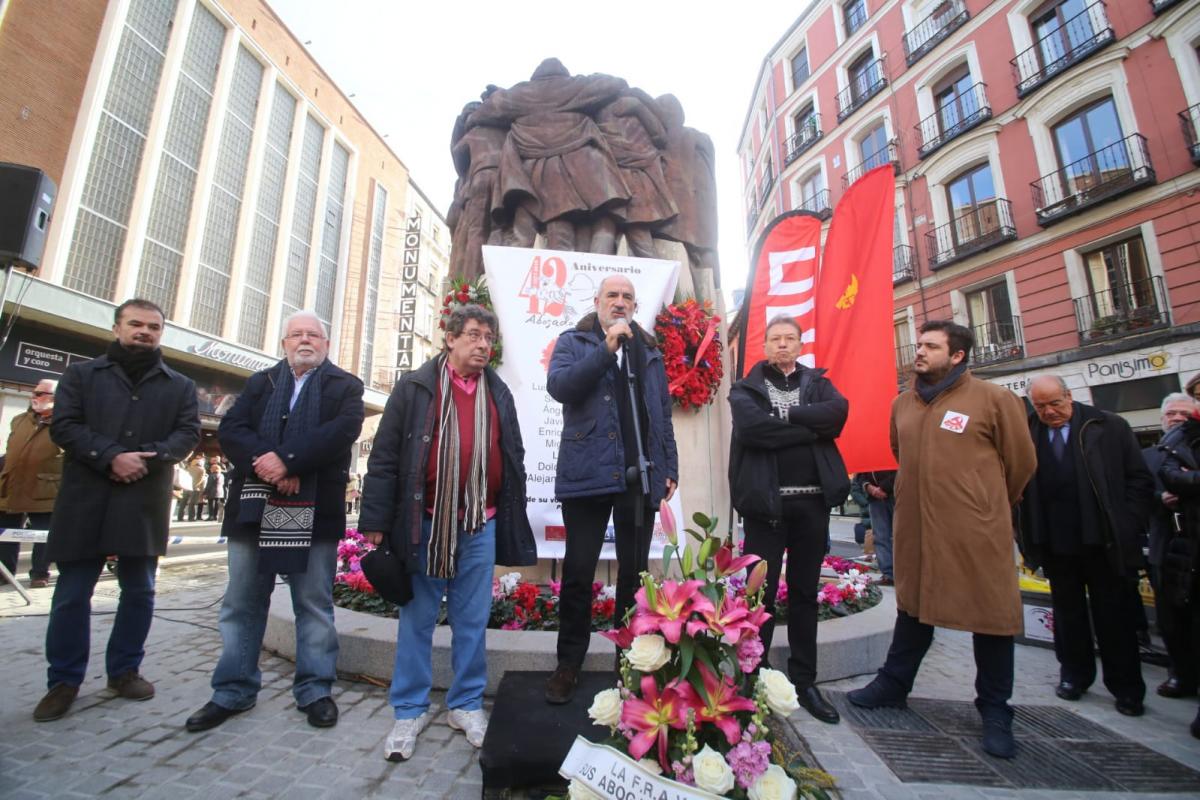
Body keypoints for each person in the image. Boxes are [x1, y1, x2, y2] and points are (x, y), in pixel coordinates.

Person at [847, 321, 1035, 759]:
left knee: (991, 618)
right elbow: (899, 454)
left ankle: (994, 708)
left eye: (932, 346)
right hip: (915, 527)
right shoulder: (902, 405)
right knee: (913, 608)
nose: (920, 351)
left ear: (957, 356)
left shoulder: (994, 399)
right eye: (921, 344)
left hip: (976, 530)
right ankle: (894, 683)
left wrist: (983, 504)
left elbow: (1021, 463)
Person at [359, 304, 536, 761]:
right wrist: (376, 524)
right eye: (474, 335)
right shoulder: (416, 388)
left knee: (472, 620)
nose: (482, 345)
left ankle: (465, 703)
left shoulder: (498, 391)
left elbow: (511, 455)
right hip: (426, 524)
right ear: (450, 339)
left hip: (481, 523)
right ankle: (410, 708)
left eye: (488, 338)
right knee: (417, 617)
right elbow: (384, 459)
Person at [185, 310, 364, 733]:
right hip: (253, 509)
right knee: (242, 602)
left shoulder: (346, 386)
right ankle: (233, 690)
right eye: (296, 334)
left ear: (326, 343)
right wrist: (269, 464)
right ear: (283, 343)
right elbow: (232, 429)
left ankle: (316, 689)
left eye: (313, 335)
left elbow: (341, 433)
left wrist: (287, 460)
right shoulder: (259, 383)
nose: (305, 340)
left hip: (315, 510)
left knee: (313, 604)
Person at [34, 299, 200, 722]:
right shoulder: (81, 375)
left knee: (140, 591)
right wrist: (111, 456)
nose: (145, 332)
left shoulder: (179, 384)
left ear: (162, 332)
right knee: (72, 595)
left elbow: (187, 433)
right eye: (136, 324)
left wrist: (152, 455)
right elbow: (64, 426)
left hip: (143, 500)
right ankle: (64, 681)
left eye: (154, 326)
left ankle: (125, 671)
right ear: (117, 328)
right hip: (86, 499)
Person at [544, 275, 678, 705]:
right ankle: (569, 665)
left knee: (634, 577)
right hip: (588, 475)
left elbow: (661, 413)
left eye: (627, 297)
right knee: (580, 575)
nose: (620, 303)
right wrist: (606, 350)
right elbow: (561, 387)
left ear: (635, 305)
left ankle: (629, 662)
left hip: (638, 477)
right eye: (612, 296)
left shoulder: (650, 350)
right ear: (598, 302)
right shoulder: (575, 341)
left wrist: (668, 466)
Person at [728, 315, 849, 724]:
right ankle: (753, 677)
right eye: (775, 339)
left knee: (803, 595)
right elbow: (752, 430)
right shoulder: (746, 388)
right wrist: (810, 426)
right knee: (757, 599)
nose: (782, 345)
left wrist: (788, 419)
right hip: (766, 510)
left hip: (812, 508)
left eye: (790, 339)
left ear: (800, 344)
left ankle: (804, 681)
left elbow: (837, 415)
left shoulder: (819, 383)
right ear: (765, 345)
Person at [1018, 375, 1152, 715]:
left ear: (1070, 396)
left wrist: (1127, 523)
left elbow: (1138, 479)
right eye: (1041, 405)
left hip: (1103, 540)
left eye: (1055, 403)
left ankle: (1126, 688)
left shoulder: (1108, 426)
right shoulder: (1026, 431)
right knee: (1067, 613)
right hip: (1055, 540)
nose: (1049, 412)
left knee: (1114, 616)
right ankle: (1074, 675)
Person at [1143, 392, 1198, 699]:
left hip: (1195, 543)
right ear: (1163, 418)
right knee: (1170, 618)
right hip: (1166, 543)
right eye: (1172, 413)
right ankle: (1179, 674)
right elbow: (1136, 490)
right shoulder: (1150, 456)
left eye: (1185, 414)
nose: (1178, 418)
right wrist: (1159, 499)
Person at [1157, 405, 1200, 739]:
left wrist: (1190, 481)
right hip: (1181, 542)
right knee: (1178, 616)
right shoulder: (1176, 442)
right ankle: (1183, 672)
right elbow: (1170, 476)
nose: (1176, 417)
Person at [0, 379, 62, 587]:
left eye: (41, 394)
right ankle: (4, 573)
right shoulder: (19, 420)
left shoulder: (65, 423)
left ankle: (39, 574)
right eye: (34, 393)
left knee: (43, 535)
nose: (35, 397)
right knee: (6, 534)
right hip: (12, 485)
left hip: (45, 489)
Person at [856, 468, 896, 585]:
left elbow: (902, 469)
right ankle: (888, 574)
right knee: (880, 537)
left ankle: (903, 573)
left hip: (894, 493)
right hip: (875, 499)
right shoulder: (866, 455)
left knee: (901, 537)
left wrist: (883, 488)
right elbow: (859, 476)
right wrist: (868, 487)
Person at [187, 455, 205, 521]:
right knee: (193, 503)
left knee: (185, 502)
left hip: (187, 487)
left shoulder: (188, 468)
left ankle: (181, 516)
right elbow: (201, 479)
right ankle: (191, 517)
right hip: (196, 488)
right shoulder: (202, 470)